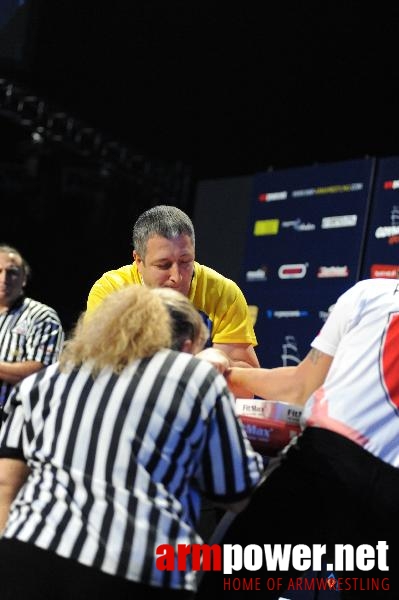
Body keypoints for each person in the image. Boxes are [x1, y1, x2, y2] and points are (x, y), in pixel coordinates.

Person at [0, 285, 264, 600]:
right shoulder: (192, 374)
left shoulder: (45, 379)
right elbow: (236, 490)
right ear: (189, 343)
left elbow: (5, 485)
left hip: (27, 555)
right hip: (135, 571)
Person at [197, 278, 399, 599]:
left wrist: (222, 372)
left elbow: (300, 389)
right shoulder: (367, 296)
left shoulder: (368, 294)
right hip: (385, 495)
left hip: (325, 464)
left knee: (228, 587)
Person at [86, 205, 259, 393]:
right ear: (138, 260)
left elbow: (246, 390)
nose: (177, 277)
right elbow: (97, 371)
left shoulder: (223, 293)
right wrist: (191, 368)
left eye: (186, 262)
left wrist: (222, 359)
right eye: (163, 265)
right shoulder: (112, 291)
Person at [0, 244, 64, 425]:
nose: (4, 278)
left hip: (15, 422)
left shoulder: (41, 315)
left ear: (24, 278)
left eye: (12, 272)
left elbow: (42, 371)